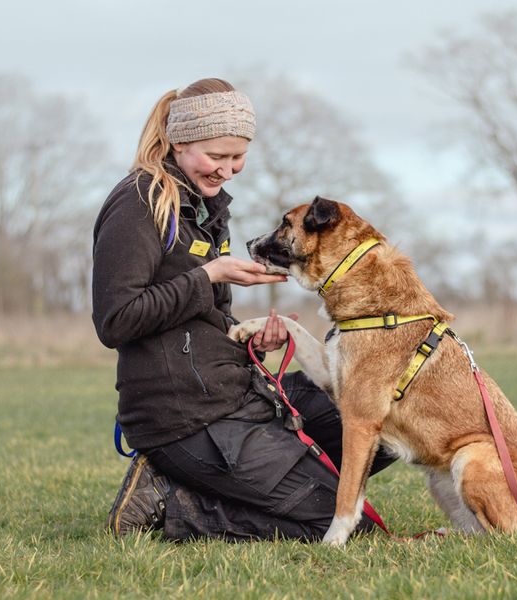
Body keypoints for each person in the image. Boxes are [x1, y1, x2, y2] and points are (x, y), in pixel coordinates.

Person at [92, 78, 393, 542]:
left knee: (387, 426)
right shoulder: (139, 203)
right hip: (184, 417)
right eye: (217, 157)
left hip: (236, 393)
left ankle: (219, 484)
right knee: (340, 524)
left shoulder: (208, 206)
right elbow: (116, 319)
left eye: (238, 157)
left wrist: (250, 338)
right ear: (180, 141)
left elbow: (204, 321)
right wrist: (210, 275)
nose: (228, 170)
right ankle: (173, 501)